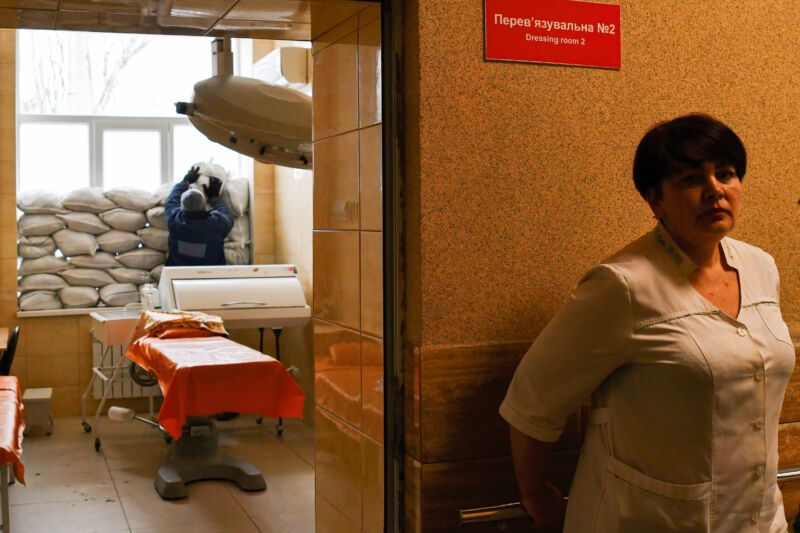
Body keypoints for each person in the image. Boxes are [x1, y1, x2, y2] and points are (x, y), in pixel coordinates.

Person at [500, 113, 795, 532]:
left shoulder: (760, 267)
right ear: (655, 200)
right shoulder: (621, 287)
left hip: (758, 517)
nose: (715, 191)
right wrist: (536, 496)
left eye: (726, 174)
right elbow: (531, 401)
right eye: (692, 179)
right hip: (648, 518)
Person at [165, 165, 234, 266]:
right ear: (204, 205)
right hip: (211, 276)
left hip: (178, 275)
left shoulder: (174, 221)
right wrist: (214, 197)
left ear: (182, 206)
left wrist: (185, 182)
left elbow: (171, 201)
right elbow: (226, 215)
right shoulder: (217, 224)